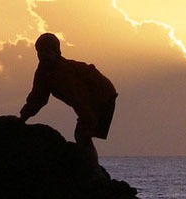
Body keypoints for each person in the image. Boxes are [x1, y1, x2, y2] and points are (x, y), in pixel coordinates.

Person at [19, 33, 117, 169]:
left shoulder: (64, 73)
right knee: (82, 134)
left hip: (102, 94)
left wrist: (88, 119)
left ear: (57, 52)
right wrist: (23, 117)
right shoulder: (43, 72)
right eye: (40, 51)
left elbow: (79, 98)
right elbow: (38, 97)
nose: (43, 55)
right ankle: (89, 166)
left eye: (48, 51)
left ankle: (93, 170)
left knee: (83, 134)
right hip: (88, 99)